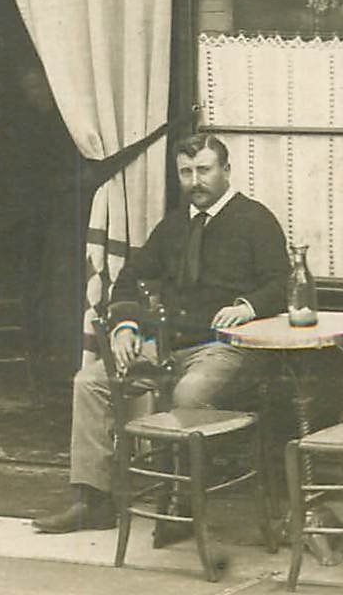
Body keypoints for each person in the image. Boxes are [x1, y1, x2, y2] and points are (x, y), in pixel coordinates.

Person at [33, 131, 288, 534]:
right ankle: (95, 500)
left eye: (204, 170)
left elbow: (281, 285)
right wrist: (126, 326)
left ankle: (184, 505)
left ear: (226, 170)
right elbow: (129, 279)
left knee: (189, 395)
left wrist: (246, 307)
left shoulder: (255, 221)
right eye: (186, 172)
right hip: (167, 345)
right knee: (91, 381)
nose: (195, 181)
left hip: (228, 349)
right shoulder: (172, 227)